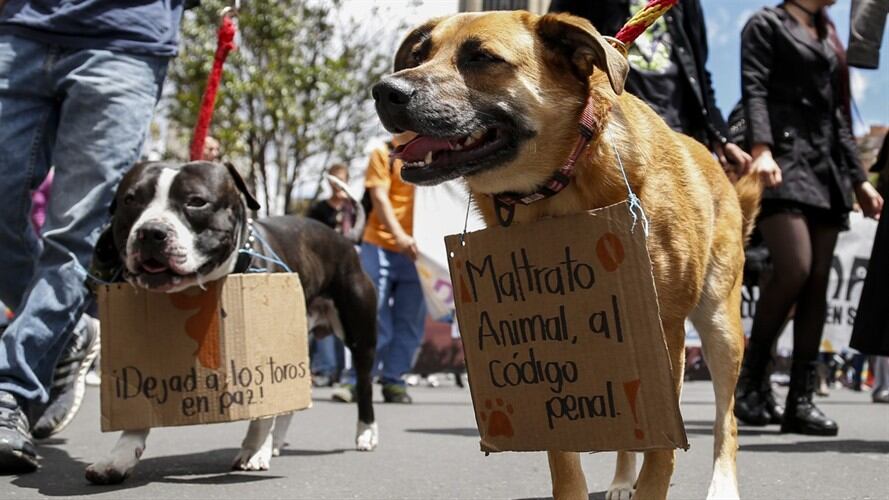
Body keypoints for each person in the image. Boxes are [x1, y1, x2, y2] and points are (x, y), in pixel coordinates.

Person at [0, 0, 186, 471]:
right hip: (19, 27)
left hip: (126, 39)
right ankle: (68, 331)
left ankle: (9, 389)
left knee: (75, 231)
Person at [734, 0, 884, 436]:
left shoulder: (828, 33)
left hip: (826, 168)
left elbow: (839, 115)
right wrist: (760, 149)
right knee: (794, 267)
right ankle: (751, 381)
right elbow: (754, 88)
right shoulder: (766, 24)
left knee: (818, 280)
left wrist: (860, 180)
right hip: (781, 161)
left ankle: (801, 399)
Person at [548, 0, 752, 177]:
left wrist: (722, 137)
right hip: (616, 125)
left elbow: (699, 75)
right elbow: (554, 46)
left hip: (679, 129)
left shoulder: (685, 4)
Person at [333, 136, 426, 404]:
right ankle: (356, 380)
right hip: (380, 245)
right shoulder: (383, 153)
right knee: (372, 315)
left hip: (420, 251)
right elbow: (379, 198)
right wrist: (399, 237)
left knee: (409, 321)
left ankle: (395, 381)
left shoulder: (439, 152)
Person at [306, 164, 354, 386]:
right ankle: (325, 368)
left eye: (341, 180)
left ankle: (342, 371)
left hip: (349, 269)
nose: (337, 186)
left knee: (345, 318)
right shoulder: (319, 209)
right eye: (333, 181)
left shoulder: (352, 209)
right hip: (323, 271)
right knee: (323, 316)